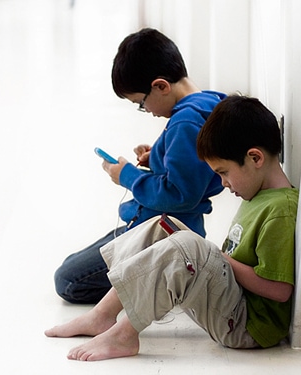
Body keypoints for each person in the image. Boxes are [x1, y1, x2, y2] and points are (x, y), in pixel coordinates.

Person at [45, 95, 298, 361]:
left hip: (247, 327)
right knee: (163, 226)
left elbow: (279, 291)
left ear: (255, 158)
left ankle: (124, 335)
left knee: (187, 245)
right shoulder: (258, 195)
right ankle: (102, 315)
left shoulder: (280, 210)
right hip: (232, 304)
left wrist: (220, 259)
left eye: (224, 172)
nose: (223, 183)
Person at [53, 28, 225, 304]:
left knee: (68, 280)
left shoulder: (185, 123)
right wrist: (158, 155)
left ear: (161, 86)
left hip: (162, 235)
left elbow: (180, 194)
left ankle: (168, 279)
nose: (147, 111)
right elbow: (193, 168)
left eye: (141, 104)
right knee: (73, 263)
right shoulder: (208, 105)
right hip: (159, 225)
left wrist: (128, 176)